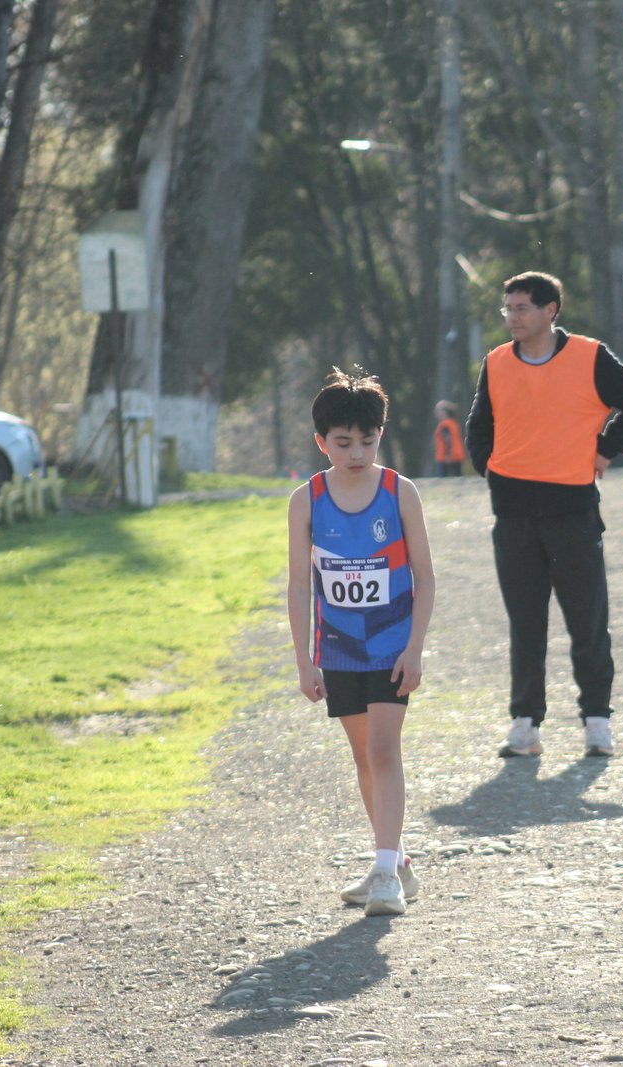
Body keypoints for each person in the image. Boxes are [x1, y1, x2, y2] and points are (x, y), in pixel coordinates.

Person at [466, 271, 623, 759]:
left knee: (587, 619)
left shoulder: (589, 356)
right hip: (512, 512)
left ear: (551, 310)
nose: (513, 317)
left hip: (572, 511)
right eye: (507, 308)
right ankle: (525, 723)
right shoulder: (495, 362)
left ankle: (597, 720)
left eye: (522, 308)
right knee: (525, 623)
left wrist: (606, 448)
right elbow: (479, 423)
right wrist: (488, 466)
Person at [287, 368, 437, 916]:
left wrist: (415, 647)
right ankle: (396, 863)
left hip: (392, 643)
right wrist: (306, 662)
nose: (357, 453)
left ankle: (383, 875)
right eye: (343, 443)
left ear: (381, 436)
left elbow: (425, 575)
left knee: (382, 749)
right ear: (321, 443)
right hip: (339, 648)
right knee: (361, 756)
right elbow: (300, 586)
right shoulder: (307, 500)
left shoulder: (401, 492)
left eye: (368, 441)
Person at [433, 400, 465, 477]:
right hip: (457, 455)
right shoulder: (453, 423)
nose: (437, 414)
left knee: (442, 480)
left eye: (438, 411)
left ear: (445, 413)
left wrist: (447, 455)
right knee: (458, 478)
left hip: (445, 457)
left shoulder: (444, 425)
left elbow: (448, 440)